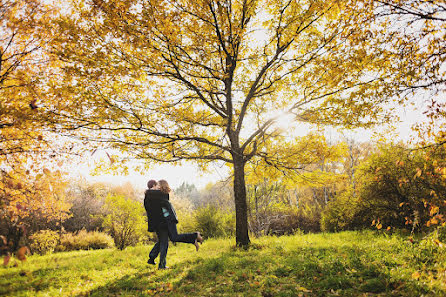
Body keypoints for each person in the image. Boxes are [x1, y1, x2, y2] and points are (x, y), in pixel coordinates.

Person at [144, 179, 203, 269]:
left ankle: (157, 261)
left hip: (167, 221)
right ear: (154, 186)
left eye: (159, 186)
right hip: (162, 222)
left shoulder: (154, 195)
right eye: (157, 185)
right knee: (166, 241)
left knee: (168, 240)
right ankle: (194, 237)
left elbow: (161, 201)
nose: (158, 187)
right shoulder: (155, 195)